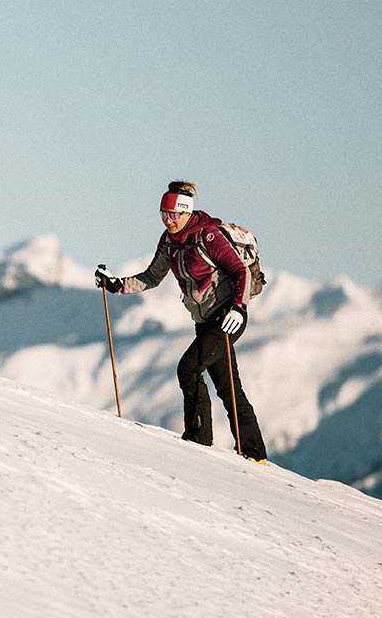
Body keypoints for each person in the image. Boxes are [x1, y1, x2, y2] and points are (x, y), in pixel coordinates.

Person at [95, 181, 267, 461]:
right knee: (228, 387)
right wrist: (116, 285)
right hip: (204, 320)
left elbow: (240, 271)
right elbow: (152, 277)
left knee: (188, 369)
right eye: (164, 213)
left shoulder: (208, 237)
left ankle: (199, 439)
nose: (168, 220)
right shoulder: (169, 242)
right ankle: (255, 453)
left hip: (227, 318)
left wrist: (239, 308)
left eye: (174, 215)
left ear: (187, 213)